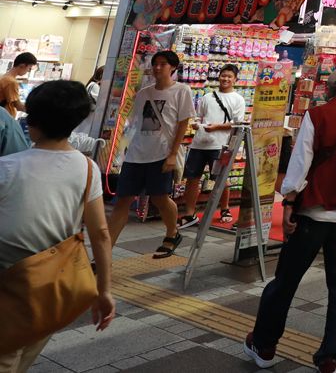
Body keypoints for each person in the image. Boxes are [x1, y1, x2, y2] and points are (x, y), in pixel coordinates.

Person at [245, 67, 336, 373]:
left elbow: (300, 162)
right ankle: (329, 357)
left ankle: (264, 345)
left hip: (311, 215)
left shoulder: (315, 116)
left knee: (286, 281)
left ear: (327, 90)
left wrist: (289, 201)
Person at [0, 81, 115, 371]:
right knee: (25, 350)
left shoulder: (8, 167)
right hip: (53, 285)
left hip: (9, 281)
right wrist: (104, 290)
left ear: (33, 123)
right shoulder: (87, 168)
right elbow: (101, 234)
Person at [107, 50, 194, 258]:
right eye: (155, 63)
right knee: (122, 201)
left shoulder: (182, 90)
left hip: (161, 154)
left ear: (173, 67)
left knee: (160, 198)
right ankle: (104, 250)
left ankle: (172, 233)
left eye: (163, 64)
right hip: (135, 154)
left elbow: (183, 124)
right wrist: (123, 148)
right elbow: (135, 124)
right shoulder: (143, 93)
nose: (157, 67)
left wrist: (173, 154)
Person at [178, 64, 246, 227]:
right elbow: (199, 117)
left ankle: (225, 208)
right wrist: (196, 124)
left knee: (221, 179)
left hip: (220, 145)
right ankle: (189, 213)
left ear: (235, 79)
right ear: (218, 76)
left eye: (229, 76)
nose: (225, 79)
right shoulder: (207, 97)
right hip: (199, 144)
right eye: (223, 75)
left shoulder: (238, 99)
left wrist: (216, 127)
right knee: (192, 179)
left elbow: (237, 124)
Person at [0, 52, 38, 116]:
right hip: (5, 118)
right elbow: (18, 106)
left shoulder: (4, 77)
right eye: (29, 68)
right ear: (22, 65)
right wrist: (36, 111)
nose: (28, 71)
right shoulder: (11, 82)